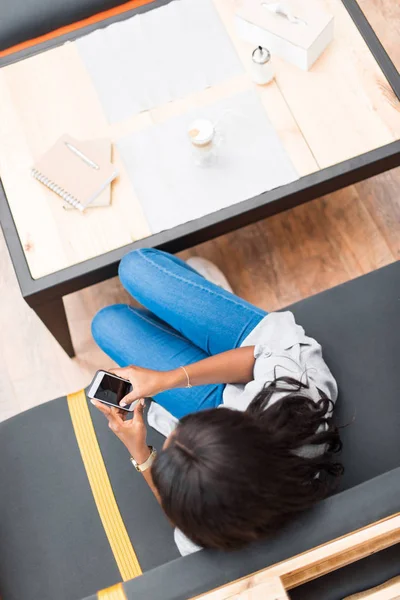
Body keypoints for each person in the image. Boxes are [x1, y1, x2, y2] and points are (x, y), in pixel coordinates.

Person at [91, 248, 343, 555]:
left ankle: (198, 317)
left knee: (106, 324)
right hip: (262, 355)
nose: (174, 427)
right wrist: (169, 378)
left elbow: (180, 510)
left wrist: (140, 452)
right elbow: (262, 352)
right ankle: (214, 300)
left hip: (229, 401)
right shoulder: (291, 402)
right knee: (134, 267)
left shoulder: (203, 528)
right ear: (235, 422)